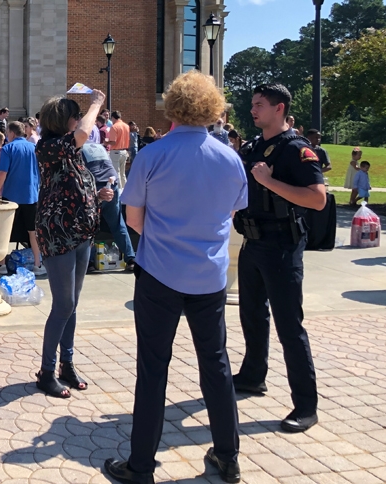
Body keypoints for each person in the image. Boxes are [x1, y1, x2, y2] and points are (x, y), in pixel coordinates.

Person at [107, 71, 247, 484]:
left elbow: (132, 217)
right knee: (216, 364)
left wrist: (166, 238)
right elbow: (232, 213)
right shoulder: (230, 158)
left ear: (172, 107)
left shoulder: (153, 154)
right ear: (212, 108)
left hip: (159, 272)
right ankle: (228, 455)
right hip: (209, 274)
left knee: (153, 368)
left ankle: (141, 465)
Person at [233, 83, 327, 434]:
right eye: (253, 104)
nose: (253, 109)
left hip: (282, 245)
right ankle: (253, 376)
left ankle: (306, 405)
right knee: (251, 315)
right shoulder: (254, 146)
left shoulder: (297, 150)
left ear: (280, 108)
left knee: (289, 326)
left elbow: (317, 199)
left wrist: (270, 183)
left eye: (260, 105)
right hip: (252, 242)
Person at [33, 91, 114, 398]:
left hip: (81, 232)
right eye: (75, 115)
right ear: (62, 119)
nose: (80, 119)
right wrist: (96, 104)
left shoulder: (71, 152)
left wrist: (97, 196)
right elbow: (81, 134)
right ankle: (46, 370)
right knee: (63, 304)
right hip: (59, 234)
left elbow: (71, 187)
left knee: (72, 304)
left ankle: (66, 363)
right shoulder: (50, 146)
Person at [0, 121, 45, 276]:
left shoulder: (8, 148)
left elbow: (3, 172)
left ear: (12, 133)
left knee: (5, 231)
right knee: (32, 232)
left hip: (11, 196)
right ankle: (38, 264)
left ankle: (2, 264)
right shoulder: (34, 148)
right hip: (31, 195)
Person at [81, 143, 136, 272]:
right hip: (112, 183)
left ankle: (89, 262)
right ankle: (131, 258)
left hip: (94, 185)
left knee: (88, 225)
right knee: (117, 223)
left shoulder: (77, 147)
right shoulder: (98, 146)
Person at [106, 111, 130, 188]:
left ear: (113, 117)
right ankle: (125, 190)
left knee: (116, 173)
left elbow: (113, 142)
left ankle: (118, 191)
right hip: (124, 151)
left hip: (116, 152)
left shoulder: (114, 127)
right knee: (122, 173)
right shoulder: (126, 126)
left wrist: (106, 142)